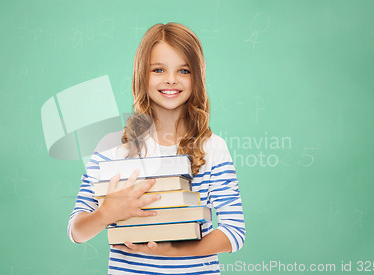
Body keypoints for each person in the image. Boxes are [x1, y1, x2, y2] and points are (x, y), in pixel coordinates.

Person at [68, 22, 245, 274]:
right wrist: (106, 213)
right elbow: (77, 232)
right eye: (158, 69)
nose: (171, 80)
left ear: (197, 76)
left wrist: (172, 250)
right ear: (142, 74)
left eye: (184, 71)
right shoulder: (111, 147)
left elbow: (234, 232)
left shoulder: (212, 148)